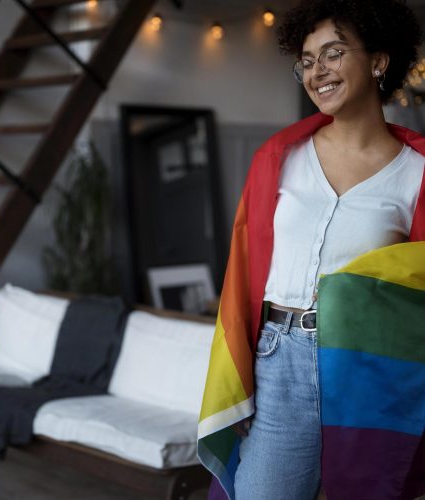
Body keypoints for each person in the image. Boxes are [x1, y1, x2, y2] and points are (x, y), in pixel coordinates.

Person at [197, 1, 425, 499]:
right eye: (307, 59)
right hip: (279, 356)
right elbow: (244, 274)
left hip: (367, 369)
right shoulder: (279, 160)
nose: (317, 71)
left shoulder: (417, 174)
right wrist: (239, 381)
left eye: (333, 53)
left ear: (379, 61)